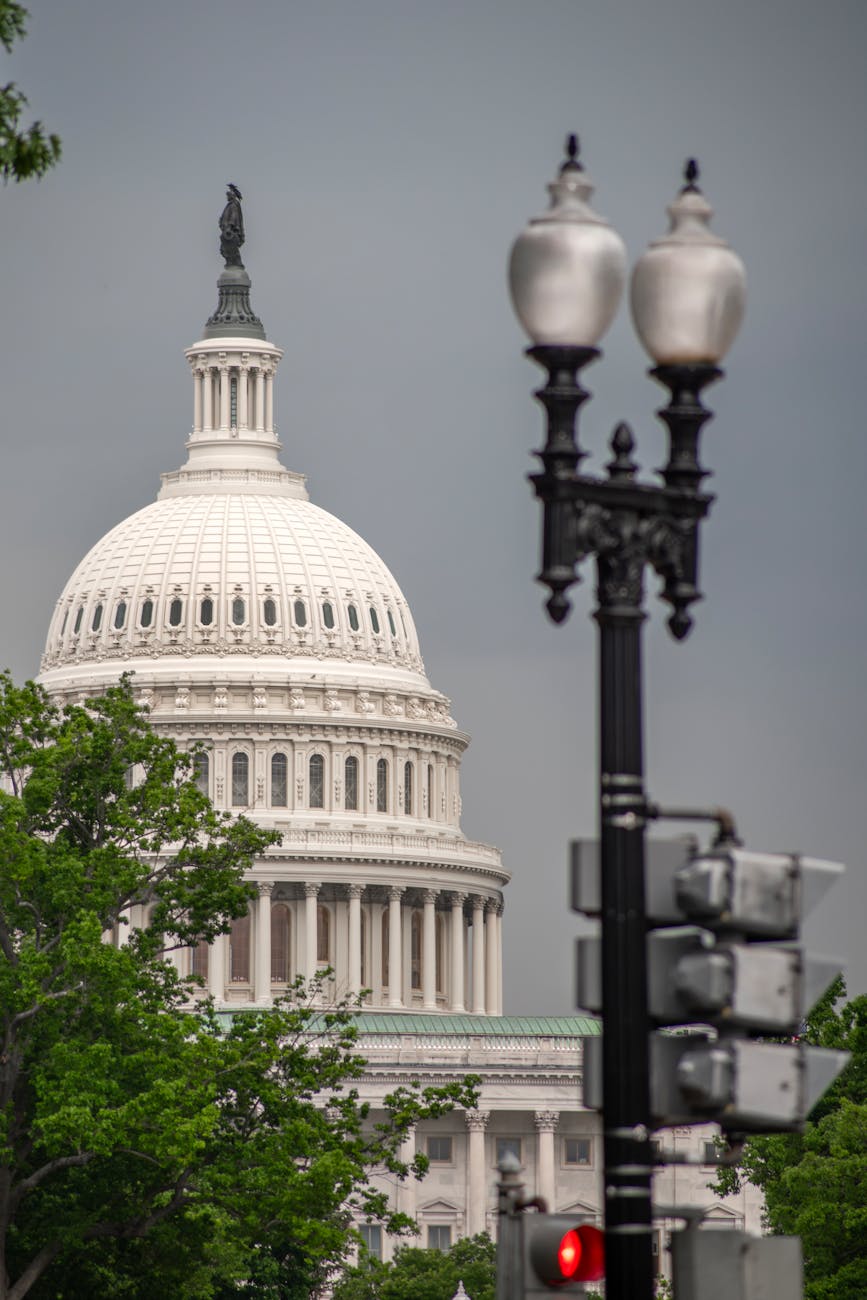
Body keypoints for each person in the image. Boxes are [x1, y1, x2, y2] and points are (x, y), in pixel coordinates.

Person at [219, 183, 244, 266]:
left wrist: (230, 226)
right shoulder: (230, 205)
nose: (227, 197)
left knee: (231, 247)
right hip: (227, 230)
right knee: (226, 248)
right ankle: (230, 262)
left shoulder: (233, 205)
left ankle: (236, 262)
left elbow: (234, 216)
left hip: (230, 231)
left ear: (232, 196)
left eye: (228, 195)